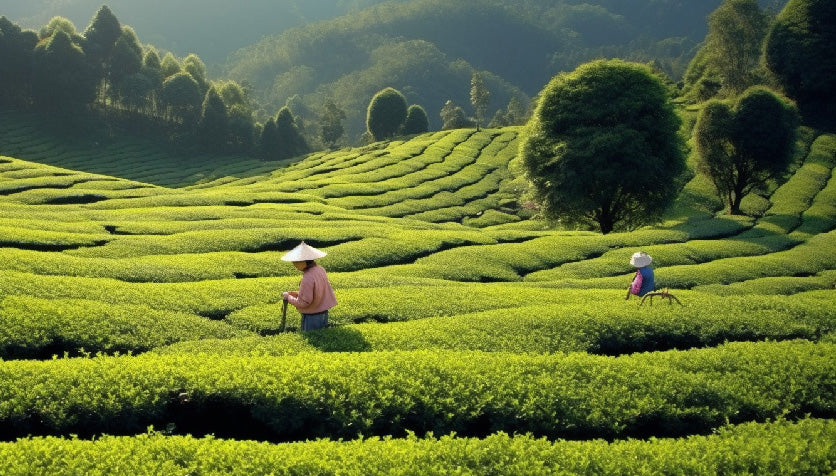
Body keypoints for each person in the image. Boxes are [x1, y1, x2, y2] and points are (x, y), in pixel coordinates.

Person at [281, 241, 337, 331]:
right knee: (321, 337)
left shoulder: (307, 277)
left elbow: (304, 303)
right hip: (324, 313)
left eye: (296, 262)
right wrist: (296, 294)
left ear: (303, 262)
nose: (294, 264)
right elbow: (316, 291)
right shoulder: (320, 269)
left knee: (312, 339)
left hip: (312, 317)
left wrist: (288, 297)